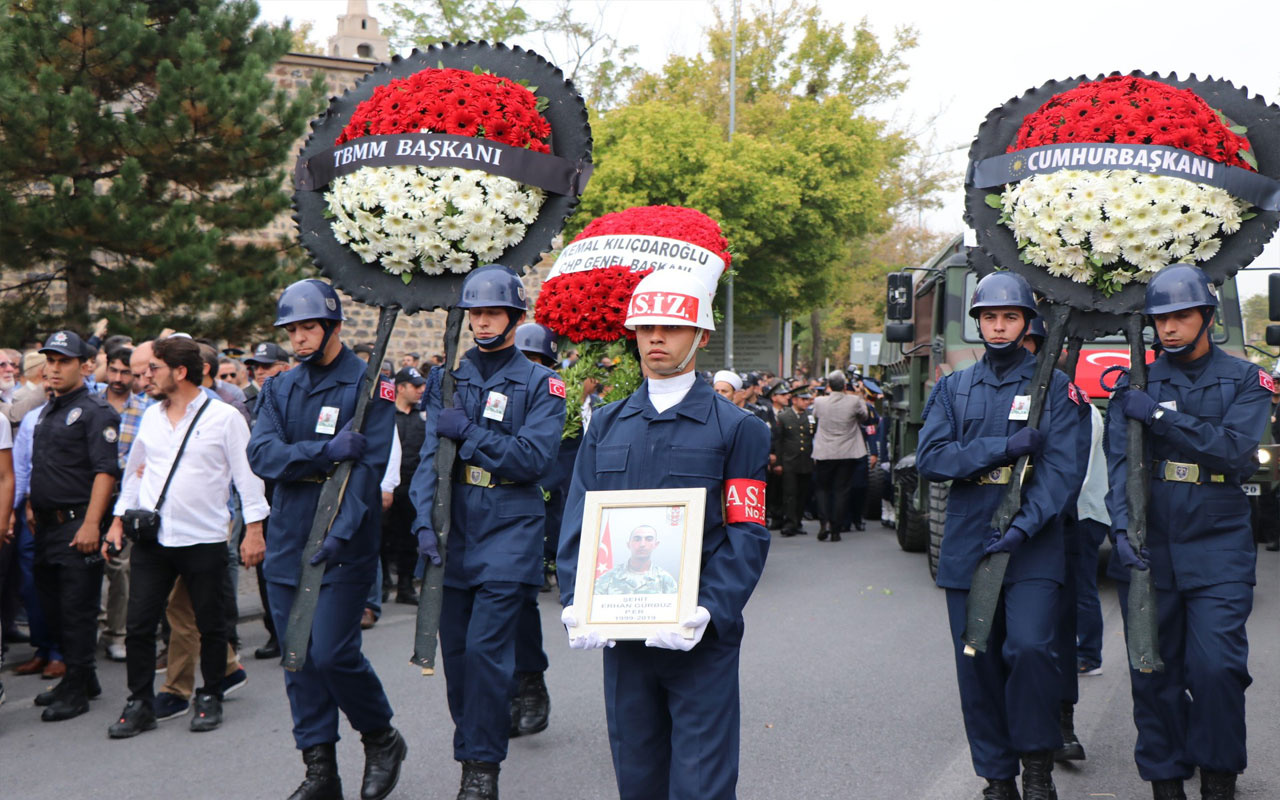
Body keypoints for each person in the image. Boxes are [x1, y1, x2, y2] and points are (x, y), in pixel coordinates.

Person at [557, 269, 771, 800]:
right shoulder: (605, 424)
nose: (656, 337)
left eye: (673, 327)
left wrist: (709, 609)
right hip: (623, 635)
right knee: (638, 777)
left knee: (701, 782)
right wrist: (575, 599)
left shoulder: (738, 428)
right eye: (647, 326)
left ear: (700, 336)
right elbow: (579, 518)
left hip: (698, 637)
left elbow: (747, 532)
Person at [1104, 265, 1269, 800]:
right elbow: (1117, 468)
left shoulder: (1247, 379)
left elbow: (1236, 451)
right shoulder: (1137, 381)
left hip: (1218, 540)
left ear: (1207, 317)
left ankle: (1219, 776)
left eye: (1180, 316)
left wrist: (1157, 417)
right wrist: (1123, 528)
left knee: (1217, 666)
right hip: (1155, 541)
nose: (1169, 328)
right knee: (1154, 671)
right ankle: (1166, 780)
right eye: (1160, 319)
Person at [916, 272, 1078, 800]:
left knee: (1031, 650)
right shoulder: (953, 386)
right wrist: (999, 447)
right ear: (978, 323)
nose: (1000, 326)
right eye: (990, 317)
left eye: (1010, 316)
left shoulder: (1055, 387)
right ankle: (997, 777)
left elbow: (1061, 474)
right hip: (969, 542)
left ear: (1028, 322)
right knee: (977, 664)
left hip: (1032, 546)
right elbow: (933, 459)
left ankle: (1036, 766)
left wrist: (1024, 526)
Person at [409, 265, 565, 800]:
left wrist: (471, 434)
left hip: (510, 527)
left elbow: (534, 459)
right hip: (456, 528)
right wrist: (422, 522)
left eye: (492, 312)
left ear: (514, 317)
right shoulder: (445, 379)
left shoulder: (541, 383)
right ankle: (476, 741)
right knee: (457, 656)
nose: (481, 322)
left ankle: (480, 768)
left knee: (484, 652)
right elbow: (430, 461)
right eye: (474, 313)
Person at [247, 279, 406, 800]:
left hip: (344, 538)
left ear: (333, 326)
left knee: (333, 654)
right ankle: (320, 769)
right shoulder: (277, 388)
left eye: (308, 327)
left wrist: (342, 530)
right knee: (298, 658)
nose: (298, 338)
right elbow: (263, 455)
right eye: (291, 329)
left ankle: (381, 736)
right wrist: (322, 452)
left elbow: (368, 468)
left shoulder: (370, 386)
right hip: (290, 534)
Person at [100, 336, 268, 737]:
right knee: (140, 625)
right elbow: (135, 473)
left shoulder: (224, 417)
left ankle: (209, 695)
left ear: (179, 371)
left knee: (211, 624)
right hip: (154, 540)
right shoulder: (152, 417)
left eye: (151, 369)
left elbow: (248, 479)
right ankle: (139, 702)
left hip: (203, 537)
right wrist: (118, 520)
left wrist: (255, 531)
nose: (144, 377)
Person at [26, 330, 122, 721]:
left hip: (76, 524)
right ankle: (82, 677)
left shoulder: (96, 411)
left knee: (76, 609)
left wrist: (91, 524)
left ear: (83, 366)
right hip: (48, 526)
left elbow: (105, 472)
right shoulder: (50, 408)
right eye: (50, 360)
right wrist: (33, 503)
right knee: (53, 608)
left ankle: (76, 687)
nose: (53, 368)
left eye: (62, 361)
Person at [96, 345, 149, 663]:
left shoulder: (144, 410)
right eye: (113, 370)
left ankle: (117, 633)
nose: (118, 378)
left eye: (125, 372)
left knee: (121, 567)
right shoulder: (92, 402)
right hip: (89, 494)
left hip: (126, 497)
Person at [811, 369, 870, 542]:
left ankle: (824, 523)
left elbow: (815, 417)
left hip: (825, 452)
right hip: (847, 451)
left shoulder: (819, 401)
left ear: (829, 385)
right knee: (841, 490)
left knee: (822, 489)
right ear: (844, 386)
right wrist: (860, 397)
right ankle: (836, 528)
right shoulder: (854, 401)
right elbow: (864, 416)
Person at [385, 367, 426, 604]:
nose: (421, 390)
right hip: (389, 487)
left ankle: (406, 586)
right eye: (415, 386)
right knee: (383, 538)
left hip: (413, 487)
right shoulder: (387, 415)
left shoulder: (422, 415)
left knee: (409, 540)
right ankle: (381, 586)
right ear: (400, 388)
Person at [774, 387, 815, 537]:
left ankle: (797, 522)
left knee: (803, 494)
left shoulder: (810, 416)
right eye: (803, 399)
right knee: (790, 494)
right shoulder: (784, 416)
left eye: (807, 399)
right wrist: (778, 462)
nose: (806, 402)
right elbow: (779, 441)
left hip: (805, 461)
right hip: (789, 461)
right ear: (795, 400)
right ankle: (789, 523)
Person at [593, 525, 678, 594]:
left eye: (649, 539)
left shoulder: (666, 580)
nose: (642, 544)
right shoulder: (607, 578)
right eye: (637, 539)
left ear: (656, 544)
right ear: (628, 544)